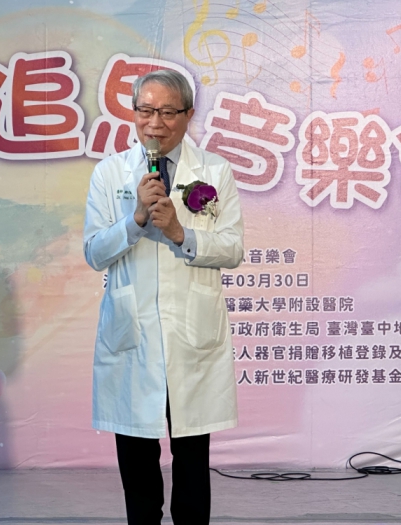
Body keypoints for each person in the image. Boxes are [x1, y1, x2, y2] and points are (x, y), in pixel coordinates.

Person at [83, 69, 244, 525]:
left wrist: (180, 233)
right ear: (134, 113)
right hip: (133, 333)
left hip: (192, 334)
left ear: (189, 114)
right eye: (145, 110)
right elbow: (94, 252)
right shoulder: (110, 172)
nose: (155, 123)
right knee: (137, 464)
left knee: (192, 460)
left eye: (168, 112)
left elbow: (232, 249)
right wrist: (135, 221)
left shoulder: (214, 171)